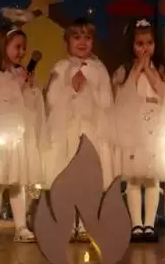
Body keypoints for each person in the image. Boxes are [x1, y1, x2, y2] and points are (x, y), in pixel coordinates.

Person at [0, 9, 45, 244]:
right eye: (17, 47)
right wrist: (17, 85)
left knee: (17, 184)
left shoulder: (21, 73)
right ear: (3, 46)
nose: (22, 52)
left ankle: (21, 226)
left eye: (24, 48)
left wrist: (30, 88)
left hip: (18, 138)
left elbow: (29, 106)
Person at [44, 17, 114, 242]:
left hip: (91, 129)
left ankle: (84, 223)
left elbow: (107, 101)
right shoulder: (60, 67)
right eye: (77, 37)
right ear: (67, 41)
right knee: (67, 177)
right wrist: (71, 88)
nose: (82, 42)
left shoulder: (99, 69)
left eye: (87, 37)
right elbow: (51, 99)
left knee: (87, 178)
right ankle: (67, 222)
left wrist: (91, 89)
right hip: (66, 130)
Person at [111, 17, 165, 242]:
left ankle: (149, 224)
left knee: (152, 177)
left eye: (149, 43)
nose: (144, 49)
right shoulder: (124, 70)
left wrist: (147, 70)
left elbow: (164, 92)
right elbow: (122, 96)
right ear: (132, 45)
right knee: (133, 178)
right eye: (139, 44)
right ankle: (136, 225)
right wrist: (137, 69)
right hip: (133, 128)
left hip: (155, 127)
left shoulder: (162, 69)